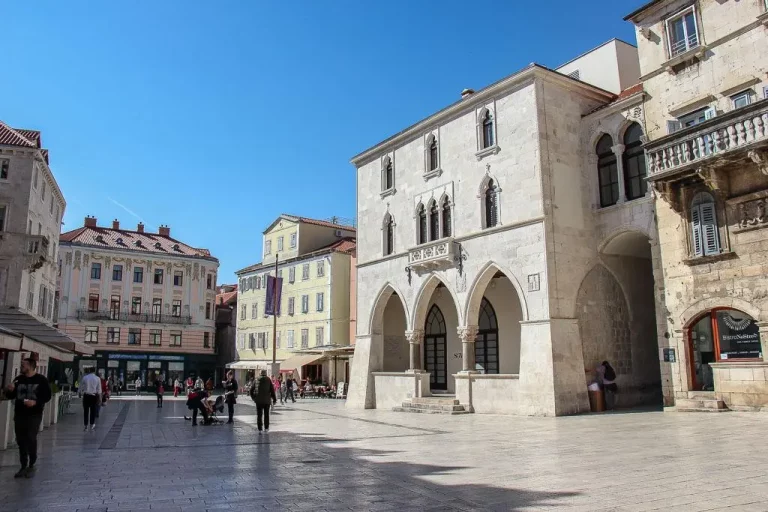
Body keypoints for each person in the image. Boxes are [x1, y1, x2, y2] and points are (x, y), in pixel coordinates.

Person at [5, 357, 51, 478]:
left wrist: (35, 402)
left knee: (30, 437)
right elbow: (11, 396)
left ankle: (32, 463)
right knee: (20, 440)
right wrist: (10, 390)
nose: (21, 367)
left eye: (23, 365)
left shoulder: (41, 380)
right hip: (20, 413)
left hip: (34, 414)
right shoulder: (19, 379)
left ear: (30, 366)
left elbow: (47, 396)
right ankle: (23, 465)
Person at [80, 366, 101, 432]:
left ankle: (86, 426)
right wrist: (100, 398)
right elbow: (99, 390)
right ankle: (92, 425)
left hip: (86, 396)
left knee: (86, 411)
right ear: (94, 371)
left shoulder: (85, 377)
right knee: (93, 411)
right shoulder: (97, 378)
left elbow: (81, 386)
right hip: (93, 396)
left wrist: (79, 393)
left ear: (89, 371)